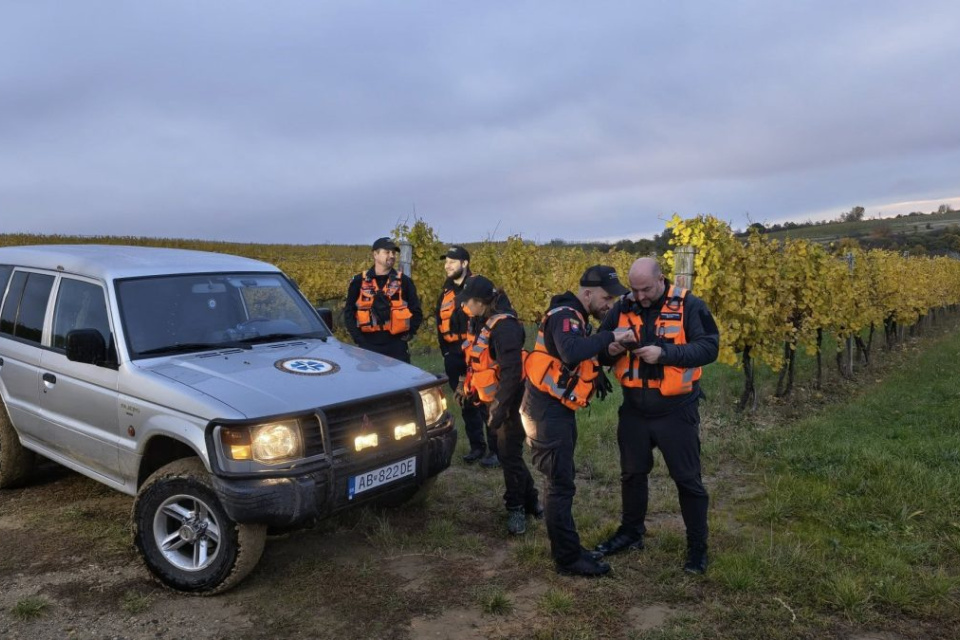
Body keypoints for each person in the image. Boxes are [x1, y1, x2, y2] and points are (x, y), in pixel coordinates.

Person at [594, 257, 719, 575]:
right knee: (632, 475)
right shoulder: (622, 306)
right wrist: (610, 350)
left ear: (661, 279)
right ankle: (631, 533)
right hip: (634, 409)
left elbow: (709, 347)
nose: (640, 296)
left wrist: (665, 354)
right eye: (634, 290)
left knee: (688, 480)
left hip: (676, 411)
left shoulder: (690, 305)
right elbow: (599, 347)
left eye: (646, 289)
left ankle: (697, 547)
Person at [520, 265, 635, 577]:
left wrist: (606, 349)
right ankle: (568, 560)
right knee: (559, 486)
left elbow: (574, 356)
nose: (610, 303)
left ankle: (570, 550)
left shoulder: (575, 316)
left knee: (563, 482)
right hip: (545, 415)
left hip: (553, 410)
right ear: (587, 293)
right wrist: (611, 334)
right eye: (606, 297)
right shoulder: (565, 315)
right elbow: (571, 352)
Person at [458, 275, 542, 534]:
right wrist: (466, 386)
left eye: (467, 302)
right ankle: (532, 502)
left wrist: (499, 409)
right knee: (510, 456)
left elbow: (511, 374)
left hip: (511, 402)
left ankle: (516, 508)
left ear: (480, 302)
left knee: (509, 455)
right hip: (494, 399)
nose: (464, 306)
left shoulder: (505, 328)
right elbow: (478, 360)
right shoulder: (480, 320)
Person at [435, 246, 499, 466]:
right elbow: (438, 322)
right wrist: (445, 351)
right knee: (466, 402)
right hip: (454, 355)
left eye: (452, 262)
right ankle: (477, 447)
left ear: (464, 263)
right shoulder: (445, 292)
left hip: (477, 355)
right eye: (446, 262)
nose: (447, 266)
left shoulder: (479, 287)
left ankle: (496, 450)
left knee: (485, 402)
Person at [343, 237, 423, 363]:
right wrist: (360, 341)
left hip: (396, 347)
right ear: (375, 254)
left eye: (393, 253)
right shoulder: (358, 281)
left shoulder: (405, 282)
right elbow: (348, 313)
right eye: (387, 252)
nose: (391, 255)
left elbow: (416, 312)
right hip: (368, 347)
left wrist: (408, 335)